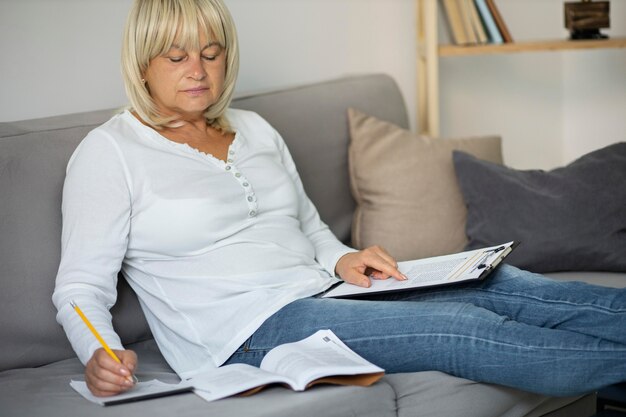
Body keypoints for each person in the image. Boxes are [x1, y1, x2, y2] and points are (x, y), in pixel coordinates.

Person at [53, 0, 625, 399]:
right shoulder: (111, 152)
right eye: (176, 57)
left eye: (210, 51)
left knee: (505, 284)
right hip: (248, 330)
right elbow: (80, 286)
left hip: (327, 290)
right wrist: (99, 351)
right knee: (464, 327)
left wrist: (341, 259)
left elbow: (307, 224)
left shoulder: (255, 128)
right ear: (142, 62)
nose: (199, 71)